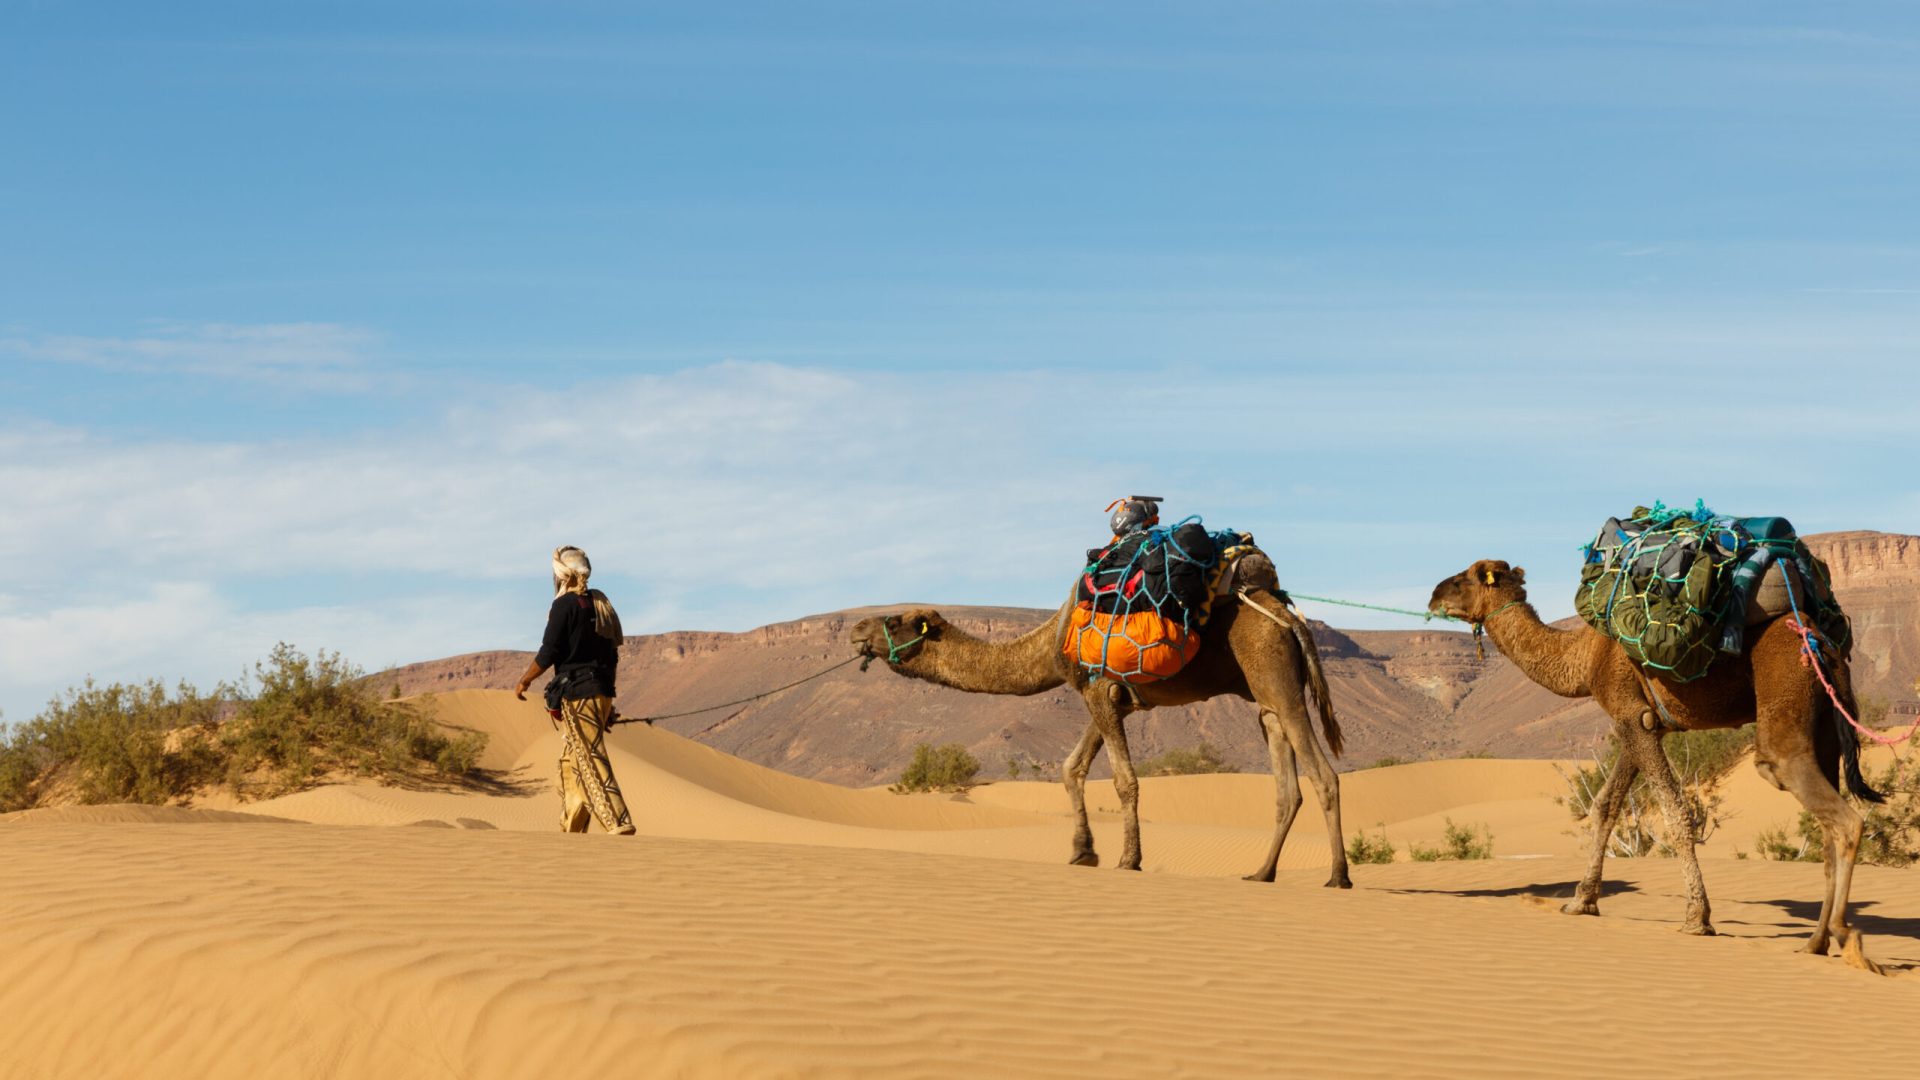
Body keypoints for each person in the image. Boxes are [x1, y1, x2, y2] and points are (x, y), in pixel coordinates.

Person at [514, 545, 636, 835]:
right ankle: (572, 829)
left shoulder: (564, 605)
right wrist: (608, 701)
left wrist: (525, 680)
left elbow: (548, 652)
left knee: (591, 757)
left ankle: (618, 821)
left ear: (561, 574)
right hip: (601, 690)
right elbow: (611, 654)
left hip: (578, 694)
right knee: (572, 762)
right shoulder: (600, 603)